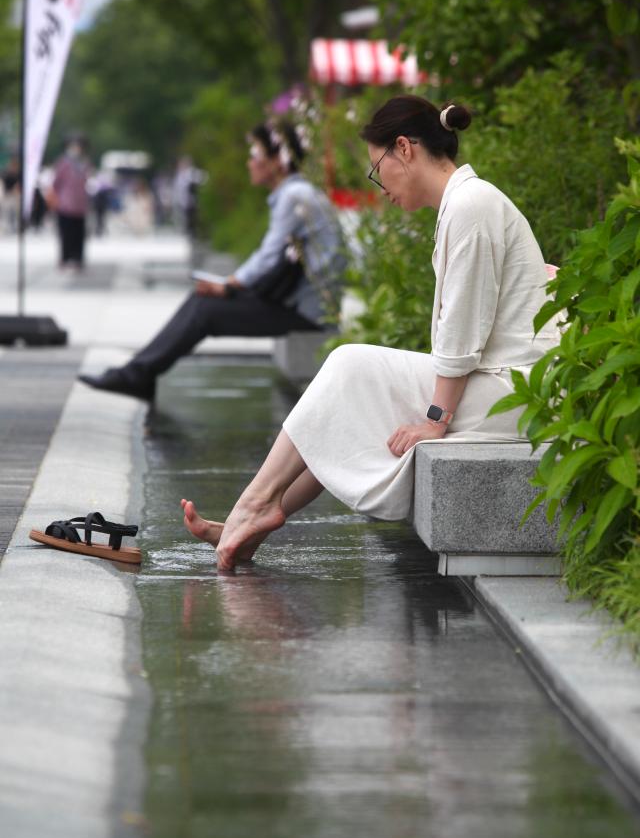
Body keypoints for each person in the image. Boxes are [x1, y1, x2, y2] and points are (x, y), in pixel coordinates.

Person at [179, 95, 562, 571]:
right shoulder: (467, 204)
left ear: (404, 148)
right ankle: (259, 508)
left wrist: (436, 419)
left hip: (519, 394)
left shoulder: (472, 205)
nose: (379, 187)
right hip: (504, 383)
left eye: (376, 169)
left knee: (350, 366)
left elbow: (462, 332)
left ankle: (255, 507)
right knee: (352, 377)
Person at [79, 122, 345, 402]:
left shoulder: (294, 196)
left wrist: (229, 285)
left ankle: (137, 374)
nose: (249, 162)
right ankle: (139, 373)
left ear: (278, 161)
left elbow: (267, 259)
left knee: (204, 309)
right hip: (299, 304)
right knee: (201, 302)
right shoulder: (299, 193)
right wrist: (230, 286)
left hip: (307, 313)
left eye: (255, 155)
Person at [49, 135, 90, 270]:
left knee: (79, 234)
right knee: (66, 233)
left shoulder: (85, 163)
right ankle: (65, 257)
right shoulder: (63, 163)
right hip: (65, 204)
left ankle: (78, 258)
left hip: (80, 205)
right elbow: (56, 182)